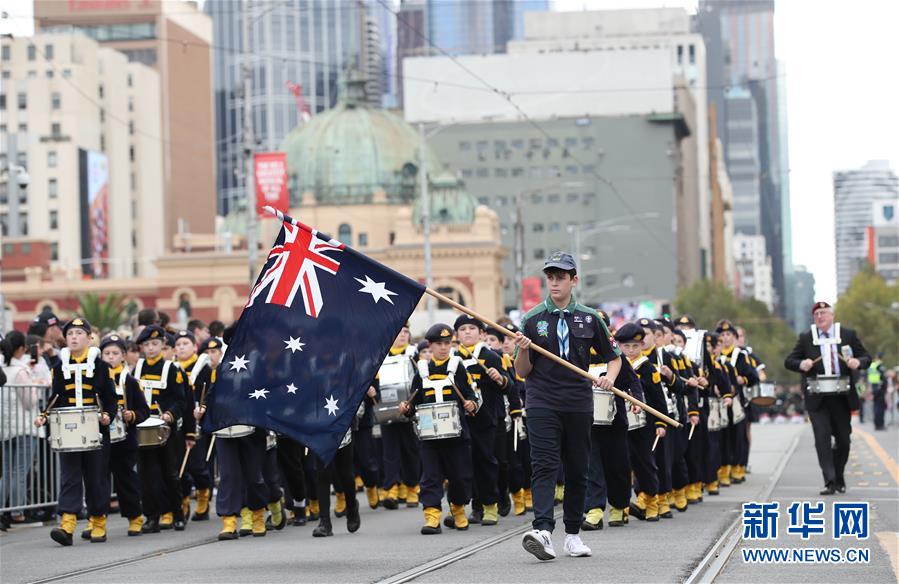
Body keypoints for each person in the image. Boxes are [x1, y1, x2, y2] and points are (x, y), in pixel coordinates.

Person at [513, 251, 621, 560]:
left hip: (578, 403)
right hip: (541, 402)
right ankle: (543, 531)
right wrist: (523, 350)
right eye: (550, 277)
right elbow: (522, 371)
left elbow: (614, 357)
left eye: (561, 277)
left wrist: (608, 378)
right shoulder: (532, 319)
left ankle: (572, 534)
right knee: (544, 465)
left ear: (574, 280)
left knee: (577, 469)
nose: (555, 283)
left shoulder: (590, 318)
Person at [34, 318, 118, 546]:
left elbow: (111, 399)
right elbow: (56, 397)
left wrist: (107, 415)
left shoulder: (102, 367)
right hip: (69, 430)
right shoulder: (59, 367)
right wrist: (44, 415)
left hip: (96, 429)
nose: (74, 337)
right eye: (70, 333)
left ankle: (98, 522)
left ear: (89, 338)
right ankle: (68, 524)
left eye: (79, 333)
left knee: (96, 478)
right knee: (69, 477)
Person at [398, 323, 479, 535]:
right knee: (430, 476)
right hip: (429, 435)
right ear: (430, 346)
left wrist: (471, 404)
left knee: (459, 475)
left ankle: (458, 510)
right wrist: (406, 408)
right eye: (438, 344)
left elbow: (471, 395)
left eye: (447, 343)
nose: (443, 348)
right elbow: (414, 401)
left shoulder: (457, 366)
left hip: (457, 435)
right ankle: (432, 516)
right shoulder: (422, 370)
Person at [785, 301, 871, 494]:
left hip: (841, 396)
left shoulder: (847, 335)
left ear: (832, 315)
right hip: (817, 398)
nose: (820, 316)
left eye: (823, 313)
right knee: (822, 438)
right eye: (816, 314)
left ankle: (839, 476)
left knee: (844, 441)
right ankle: (830, 481)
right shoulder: (807, 338)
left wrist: (857, 362)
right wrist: (802, 364)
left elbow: (867, 358)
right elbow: (789, 361)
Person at [88, 334, 150, 538]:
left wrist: (133, 415)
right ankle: (96, 520)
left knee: (126, 479)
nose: (110, 357)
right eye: (106, 353)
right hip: (102, 436)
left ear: (123, 356)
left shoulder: (130, 381)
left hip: (125, 438)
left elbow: (144, 410)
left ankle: (135, 517)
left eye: (115, 353)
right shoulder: (95, 378)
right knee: (98, 480)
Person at [455, 315, 511, 526]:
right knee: (466, 464)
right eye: (463, 329)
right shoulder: (453, 359)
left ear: (482, 333)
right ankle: (475, 507)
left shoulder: (491, 356)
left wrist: (500, 378)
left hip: (487, 419)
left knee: (488, 462)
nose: (467, 332)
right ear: (457, 334)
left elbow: (508, 385)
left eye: (472, 328)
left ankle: (491, 505)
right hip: (462, 421)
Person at [133, 325, 190, 532]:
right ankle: (151, 517)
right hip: (143, 428)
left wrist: (169, 415)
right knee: (146, 476)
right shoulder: (137, 369)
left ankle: (177, 513)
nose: (151, 348)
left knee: (170, 473)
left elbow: (181, 401)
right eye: (147, 344)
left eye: (155, 344)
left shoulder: (171, 369)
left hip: (165, 429)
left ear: (163, 344)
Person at [1, 332, 41, 526]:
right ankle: (17, 513)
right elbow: (29, 401)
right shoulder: (20, 371)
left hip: (5, 428)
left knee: (7, 472)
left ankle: (3, 509)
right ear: (21, 348)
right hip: (24, 426)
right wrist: (36, 388)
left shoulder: (3, 368)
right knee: (20, 472)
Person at [869, 353, 888, 430]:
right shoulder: (879, 365)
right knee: (880, 407)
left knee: (876, 406)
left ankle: (877, 424)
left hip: (874, 387)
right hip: (880, 388)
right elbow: (883, 378)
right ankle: (880, 425)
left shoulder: (872, 365)